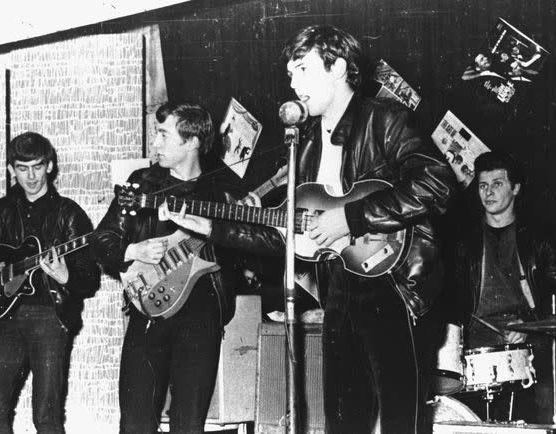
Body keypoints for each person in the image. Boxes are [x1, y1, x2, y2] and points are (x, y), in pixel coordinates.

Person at [165, 25, 457, 433]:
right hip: (336, 288)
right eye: (289, 73)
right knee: (340, 419)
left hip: (393, 283)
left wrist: (351, 218)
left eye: (302, 69)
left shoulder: (384, 119)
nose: (292, 82)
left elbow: (437, 182)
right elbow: (286, 234)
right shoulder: (302, 144)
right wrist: (215, 228)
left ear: (338, 67)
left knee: (399, 420)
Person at [89, 102, 277, 434]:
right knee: (135, 421)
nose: (155, 144)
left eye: (163, 134)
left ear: (191, 141)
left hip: (202, 317)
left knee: (188, 424)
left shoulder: (223, 192)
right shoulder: (143, 183)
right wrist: (135, 249)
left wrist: (239, 228)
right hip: (147, 311)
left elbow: (254, 260)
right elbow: (101, 240)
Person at [0, 132, 101, 434]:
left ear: (50, 166)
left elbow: (90, 278)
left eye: (38, 167)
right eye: (23, 168)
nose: (31, 176)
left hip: (50, 316)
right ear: (11, 170)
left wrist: (66, 277)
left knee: (46, 415)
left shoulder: (69, 213)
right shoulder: (4, 208)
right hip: (9, 315)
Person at [452, 151, 556, 424]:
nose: (488, 192)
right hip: (476, 349)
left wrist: (528, 325)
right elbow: (451, 300)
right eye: (483, 185)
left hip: (530, 344)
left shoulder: (540, 237)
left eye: (497, 183)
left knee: (551, 417)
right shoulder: (465, 242)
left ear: (516, 188)